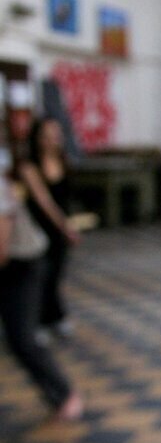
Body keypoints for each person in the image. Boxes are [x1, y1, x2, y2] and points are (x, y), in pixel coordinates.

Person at [0, 169, 83, 420]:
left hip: (23, 265)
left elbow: (1, 249)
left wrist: (65, 228)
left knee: (22, 338)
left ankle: (64, 394)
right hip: (12, 265)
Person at [19, 117, 80, 340]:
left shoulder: (64, 161)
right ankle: (38, 320)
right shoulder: (29, 166)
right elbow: (44, 201)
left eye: (55, 135)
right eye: (46, 135)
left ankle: (55, 316)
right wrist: (65, 226)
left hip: (60, 230)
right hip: (39, 228)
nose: (52, 140)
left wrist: (68, 225)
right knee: (40, 276)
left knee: (55, 275)